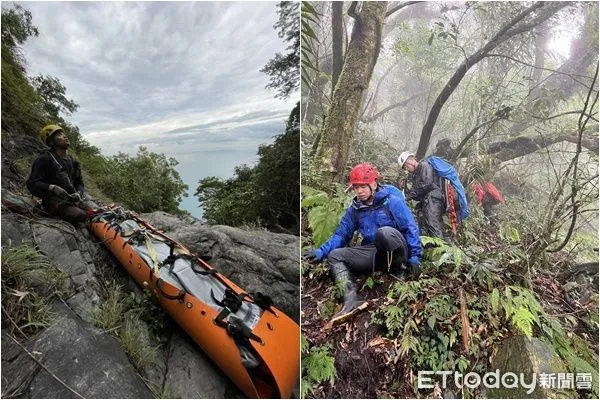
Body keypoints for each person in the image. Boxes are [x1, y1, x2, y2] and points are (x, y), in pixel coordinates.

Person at [303, 163, 422, 323]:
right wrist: (321, 251)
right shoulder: (355, 209)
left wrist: (415, 258)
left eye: (363, 187)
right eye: (356, 187)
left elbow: (410, 228)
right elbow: (341, 235)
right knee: (335, 256)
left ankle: (400, 270)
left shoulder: (392, 202)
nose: (359, 191)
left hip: (396, 250)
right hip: (374, 254)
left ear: (373, 183)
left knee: (384, 233)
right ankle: (352, 299)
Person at [27, 124, 95, 223]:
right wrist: (52, 187)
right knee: (80, 214)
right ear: (51, 141)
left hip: (72, 199)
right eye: (59, 134)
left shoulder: (73, 162)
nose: (64, 136)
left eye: (63, 133)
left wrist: (79, 193)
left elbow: (79, 182)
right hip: (53, 201)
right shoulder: (44, 159)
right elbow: (32, 183)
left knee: (96, 211)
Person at [398, 151, 451, 243]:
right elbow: (418, 194)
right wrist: (405, 189)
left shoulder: (424, 165)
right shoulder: (415, 175)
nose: (407, 169)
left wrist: (407, 196)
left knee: (433, 224)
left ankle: (441, 251)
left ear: (411, 161)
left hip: (434, 199)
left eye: (407, 166)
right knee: (433, 225)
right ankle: (445, 247)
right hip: (428, 200)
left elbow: (427, 184)